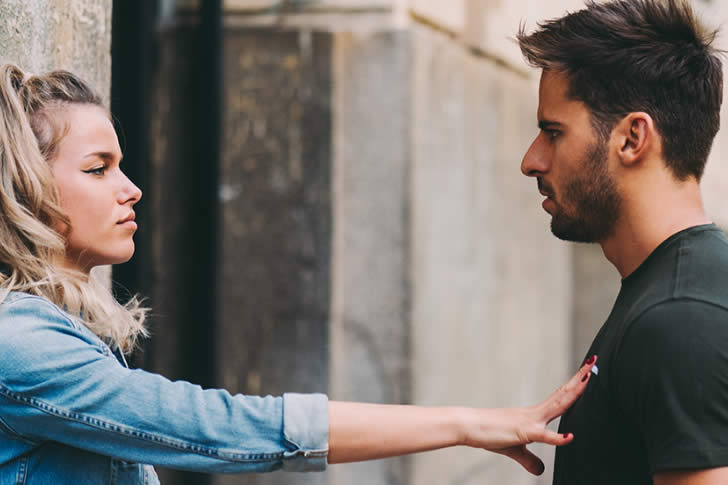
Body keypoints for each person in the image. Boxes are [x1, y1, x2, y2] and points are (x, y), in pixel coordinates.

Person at [0, 63, 594, 484]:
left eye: (121, 166)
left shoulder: (55, 336)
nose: (131, 189)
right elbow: (219, 428)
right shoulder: (22, 345)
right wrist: (469, 424)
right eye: (98, 169)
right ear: (27, 187)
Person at [517, 0, 728, 484]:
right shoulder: (680, 293)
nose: (531, 161)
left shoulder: (680, 320)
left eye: (553, 132)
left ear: (633, 138)